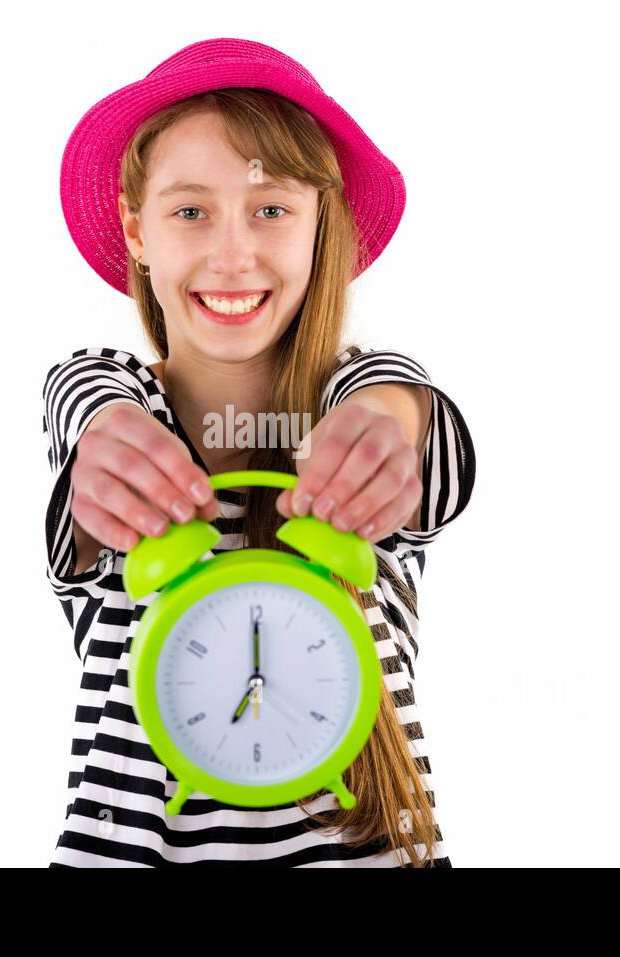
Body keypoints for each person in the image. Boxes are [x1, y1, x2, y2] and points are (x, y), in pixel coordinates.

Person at [43, 38, 476, 866]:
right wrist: (103, 444)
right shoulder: (110, 418)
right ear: (137, 228)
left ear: (324, 226)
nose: (232, 253)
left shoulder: (373, 442)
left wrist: (388, 421)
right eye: (190, 210)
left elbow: (399, 399)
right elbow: (84, 397)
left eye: (271, 208)